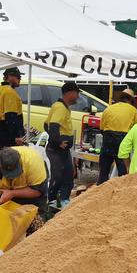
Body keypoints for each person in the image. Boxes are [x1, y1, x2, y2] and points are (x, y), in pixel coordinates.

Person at [0, 146, 48, 238]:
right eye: (8, 175)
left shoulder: (33, 162)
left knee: (38, 224)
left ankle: (33, 246)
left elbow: (39, 191)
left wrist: (12, 193)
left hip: (30, 189)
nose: (12, 177)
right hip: (1, 192)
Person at [44, 81, 80, 209]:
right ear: (70, 93)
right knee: (58, 175)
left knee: (67, 174)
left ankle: (63, 199)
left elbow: (45, 124)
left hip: (61, 149)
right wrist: (58, 141)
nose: (78, 97)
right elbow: (53, 125)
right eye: (76, 93)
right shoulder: (60, 107)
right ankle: (53, 201)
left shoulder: (62, 107)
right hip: (57, 149)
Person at [97, 89, 137, 183]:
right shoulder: (133, 110)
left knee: (104, 171)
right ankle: (120, 193)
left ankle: (100, 192)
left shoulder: (108, 108)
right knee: (123, 173)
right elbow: (136, 130)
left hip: (108, 139)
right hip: (122, 140)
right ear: (131, 100)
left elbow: (102, 129)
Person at [0, 67, 25, 149]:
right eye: (18, 77)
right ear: (9, 77)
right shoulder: (10, 92)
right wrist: (15, 138)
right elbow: (10, 117)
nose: (20, 79)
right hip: (8, 134)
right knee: (10, 159)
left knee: (1, 157)